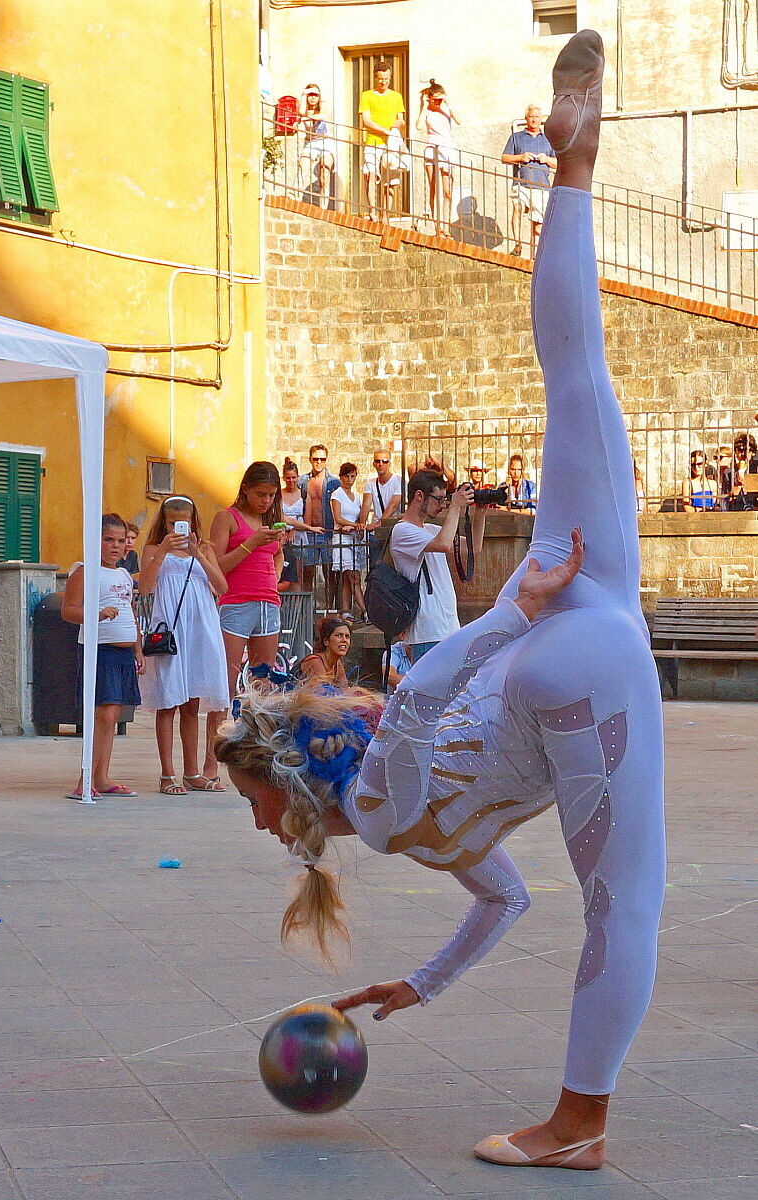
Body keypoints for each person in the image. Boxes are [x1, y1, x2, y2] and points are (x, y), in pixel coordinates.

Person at [218, 31, 666, 1172]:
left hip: (563, 649)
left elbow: (417, 698)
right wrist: (421, 983)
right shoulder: (394, 812)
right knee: (580, 385)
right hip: (575, 619)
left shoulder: (375, 808)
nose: (263, 828)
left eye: (256, 807)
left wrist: (512, 605)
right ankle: (571, 175)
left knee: (625, 908)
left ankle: (578, 1126)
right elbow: (504, 901)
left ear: (288, 780)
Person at [138, 495, 228, 795]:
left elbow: (221, 587)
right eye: (171, 522)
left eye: (184, 522)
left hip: (201, 629)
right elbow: (146, 587)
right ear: (164, 524)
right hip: (171, 629)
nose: (177, 528)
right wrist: (163, 551)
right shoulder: (153, 549)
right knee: (168, 702)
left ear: (192, 522)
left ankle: (192, 772)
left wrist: (198, 554)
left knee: (192, 704)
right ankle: (167, 774)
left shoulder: (203, 549)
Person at [206, 463, 287, 769]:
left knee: (263, 682)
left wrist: (273, 575)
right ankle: (211, 764)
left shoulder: (270, 521)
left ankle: (258, 756)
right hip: (236, 602)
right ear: (245, 490)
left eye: (270, 495)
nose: (265, 501)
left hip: (268, 602)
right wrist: (251, 544)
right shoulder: (227, 517)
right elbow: (217, 565)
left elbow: (278, 553)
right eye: (259, 494)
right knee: (223, 685)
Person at [62, 513, 144, 801]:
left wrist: (138, 648)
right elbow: (68, 610)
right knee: (103, 714)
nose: (115, 546)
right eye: (108, 540)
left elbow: (129, 611)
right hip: (101, 649)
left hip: (123, 652)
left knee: (113, 715)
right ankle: (85, 778)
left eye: (121, 541)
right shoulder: (84, 572)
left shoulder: (122, 574)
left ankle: (102, 776)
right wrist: (95, 616)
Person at [388, 469, 489, 664]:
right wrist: (456, 507)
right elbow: (443, 544)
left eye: (446, 500)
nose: (443, 506)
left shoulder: (431, 530)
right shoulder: (402, 531)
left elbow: (474, 547)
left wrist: (480, 513)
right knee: (430, 694)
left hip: (448, 627)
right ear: (419, 496)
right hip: (427, 632)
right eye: (439, 499)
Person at [501, 104, 557, 257]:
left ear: (541, 120)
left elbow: (558, 164)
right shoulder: (516, 137)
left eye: (537, 117)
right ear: (526, 118)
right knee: (517, 208)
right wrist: (520, 157)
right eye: (531, 116)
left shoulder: (549, 140)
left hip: (541, 186)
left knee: (537, 224)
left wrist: (546, 159)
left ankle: (535, 256)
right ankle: (517, 244)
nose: (534, 119)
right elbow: (504, 158)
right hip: (521, 183)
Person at [359, 61, 406, 221]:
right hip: (373, 141)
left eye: (386, 78)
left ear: (390, 77)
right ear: (375, 78)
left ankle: (385, 215)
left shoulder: (396, 96)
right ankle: (373, 211)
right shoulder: (367, 95)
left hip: (390, 143)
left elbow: (402, 120)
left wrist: (396, 125)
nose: (383, 82)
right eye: (380, 79)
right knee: (370, 174)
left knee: (390, 179)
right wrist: (385, 130)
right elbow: (366, 120)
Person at [416, 79, 461, 232]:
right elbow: (419, 126)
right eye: (434, 99)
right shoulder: (427, 111)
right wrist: (424, 105)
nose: (437, 102)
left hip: (446, 150)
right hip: (431, 149)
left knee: (447, 191)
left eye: (439, 99)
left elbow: (459, 121)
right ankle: (437, 227)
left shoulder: (446, 109)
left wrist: (447, 102)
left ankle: (446, 227)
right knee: (433, 189)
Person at [299, 444, 338, 606]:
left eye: (322, 459)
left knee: (330, 572)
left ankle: (330, 607)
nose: (319, 462)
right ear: (310, 459)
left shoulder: (333, 482)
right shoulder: (302, 481)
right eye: (316, 459)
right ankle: (309, 607)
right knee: (308, 572)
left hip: (327, 531)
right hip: (309, 532)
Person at [330, 462, 367, 620]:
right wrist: (354, 525)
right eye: (347, 476)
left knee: (348, 576)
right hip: (342, 537)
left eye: (352, 476)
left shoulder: (357, 496)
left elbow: (359, 516)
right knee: (353, 576)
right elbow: (338, 518)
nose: (350, 479)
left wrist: (357, 527)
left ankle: (345, 610)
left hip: (353, 538)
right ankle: (365, 610)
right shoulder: (337, 494)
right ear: (341, 477)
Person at [281, 457, 323, 593]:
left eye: (293, 477)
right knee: (282, 576)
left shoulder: (304, 495)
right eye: (288, 478)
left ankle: (297, 611)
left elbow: (307, 521)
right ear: (284, 478)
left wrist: (294, 528)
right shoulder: (278, 496)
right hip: (281, 538)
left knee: (297, 576)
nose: (291, 481)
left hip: (299, 538)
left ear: (298, 477)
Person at [359, 447, 402, 569]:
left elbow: (393, 505)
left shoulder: (399, 481)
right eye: (378, 461)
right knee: (375, 567)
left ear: (389, 463)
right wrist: (362, 523)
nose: (381, 464)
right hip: (376, 533)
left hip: (393, 528)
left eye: (384, 461)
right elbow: (366, 505)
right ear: (374, 464)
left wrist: (378, 524)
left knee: (394, 567)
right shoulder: (371, 483)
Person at [298, 85, 336, 207]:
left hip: (326, 143)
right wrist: (304, 94)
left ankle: (323, 206)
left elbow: (322, 115)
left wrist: (305, 118)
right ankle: (292, 196)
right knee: (302, 166)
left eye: (316, 95)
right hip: (311, 144)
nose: (313, 98)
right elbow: (300, 113)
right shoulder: (304, 110)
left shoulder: (322, 106)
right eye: (310, 95)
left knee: (325, 171)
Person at [299, 615, 352, 687]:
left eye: (347, 636)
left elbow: (345, 690)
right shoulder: (314, 661)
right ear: (326, 641)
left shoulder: (337, 664)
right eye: (339, 635)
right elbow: (322, 692)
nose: (344, 640)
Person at [722, 432, 758, 510]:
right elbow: (727, 500)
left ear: (753, 453)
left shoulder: (756, 468)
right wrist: (738, 485)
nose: (743, 453)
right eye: (740, 450)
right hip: (737, 511)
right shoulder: (728, 473)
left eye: (747, 450)